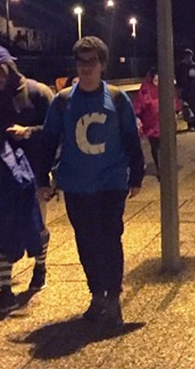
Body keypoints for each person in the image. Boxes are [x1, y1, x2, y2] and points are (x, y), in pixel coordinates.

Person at [36, 36, 144, 325]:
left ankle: (113, 297)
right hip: (76, 183)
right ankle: (96, 293)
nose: (86, 68)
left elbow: (131, 139)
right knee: (86, 242)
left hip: (110, 182)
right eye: (81, 62)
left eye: (92, 62)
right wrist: (42, 178)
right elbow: (48, 140)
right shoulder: (62, 101)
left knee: (110, 239)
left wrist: (136, 173)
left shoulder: (118, 100)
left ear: (102, 65)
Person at [0, 45, 54, 314]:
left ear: (9, 67)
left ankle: (40, 267)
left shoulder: (38, 93)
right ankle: (5, 290)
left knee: (36, 225)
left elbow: (55, 131)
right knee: (0, 227)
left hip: (34, 173)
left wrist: (28, 132)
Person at [133, 68, 181, 180]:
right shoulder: (145, 90)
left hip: (167, 124)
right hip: (152, 125)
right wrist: (137, 117)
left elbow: (175, 102)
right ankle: (160, 170)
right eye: (156, 80)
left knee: (168, 147)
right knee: (156, 147)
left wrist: (176, 111)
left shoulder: (168, 89)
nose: (158, 83)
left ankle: (167, 167)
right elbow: (139, 105)